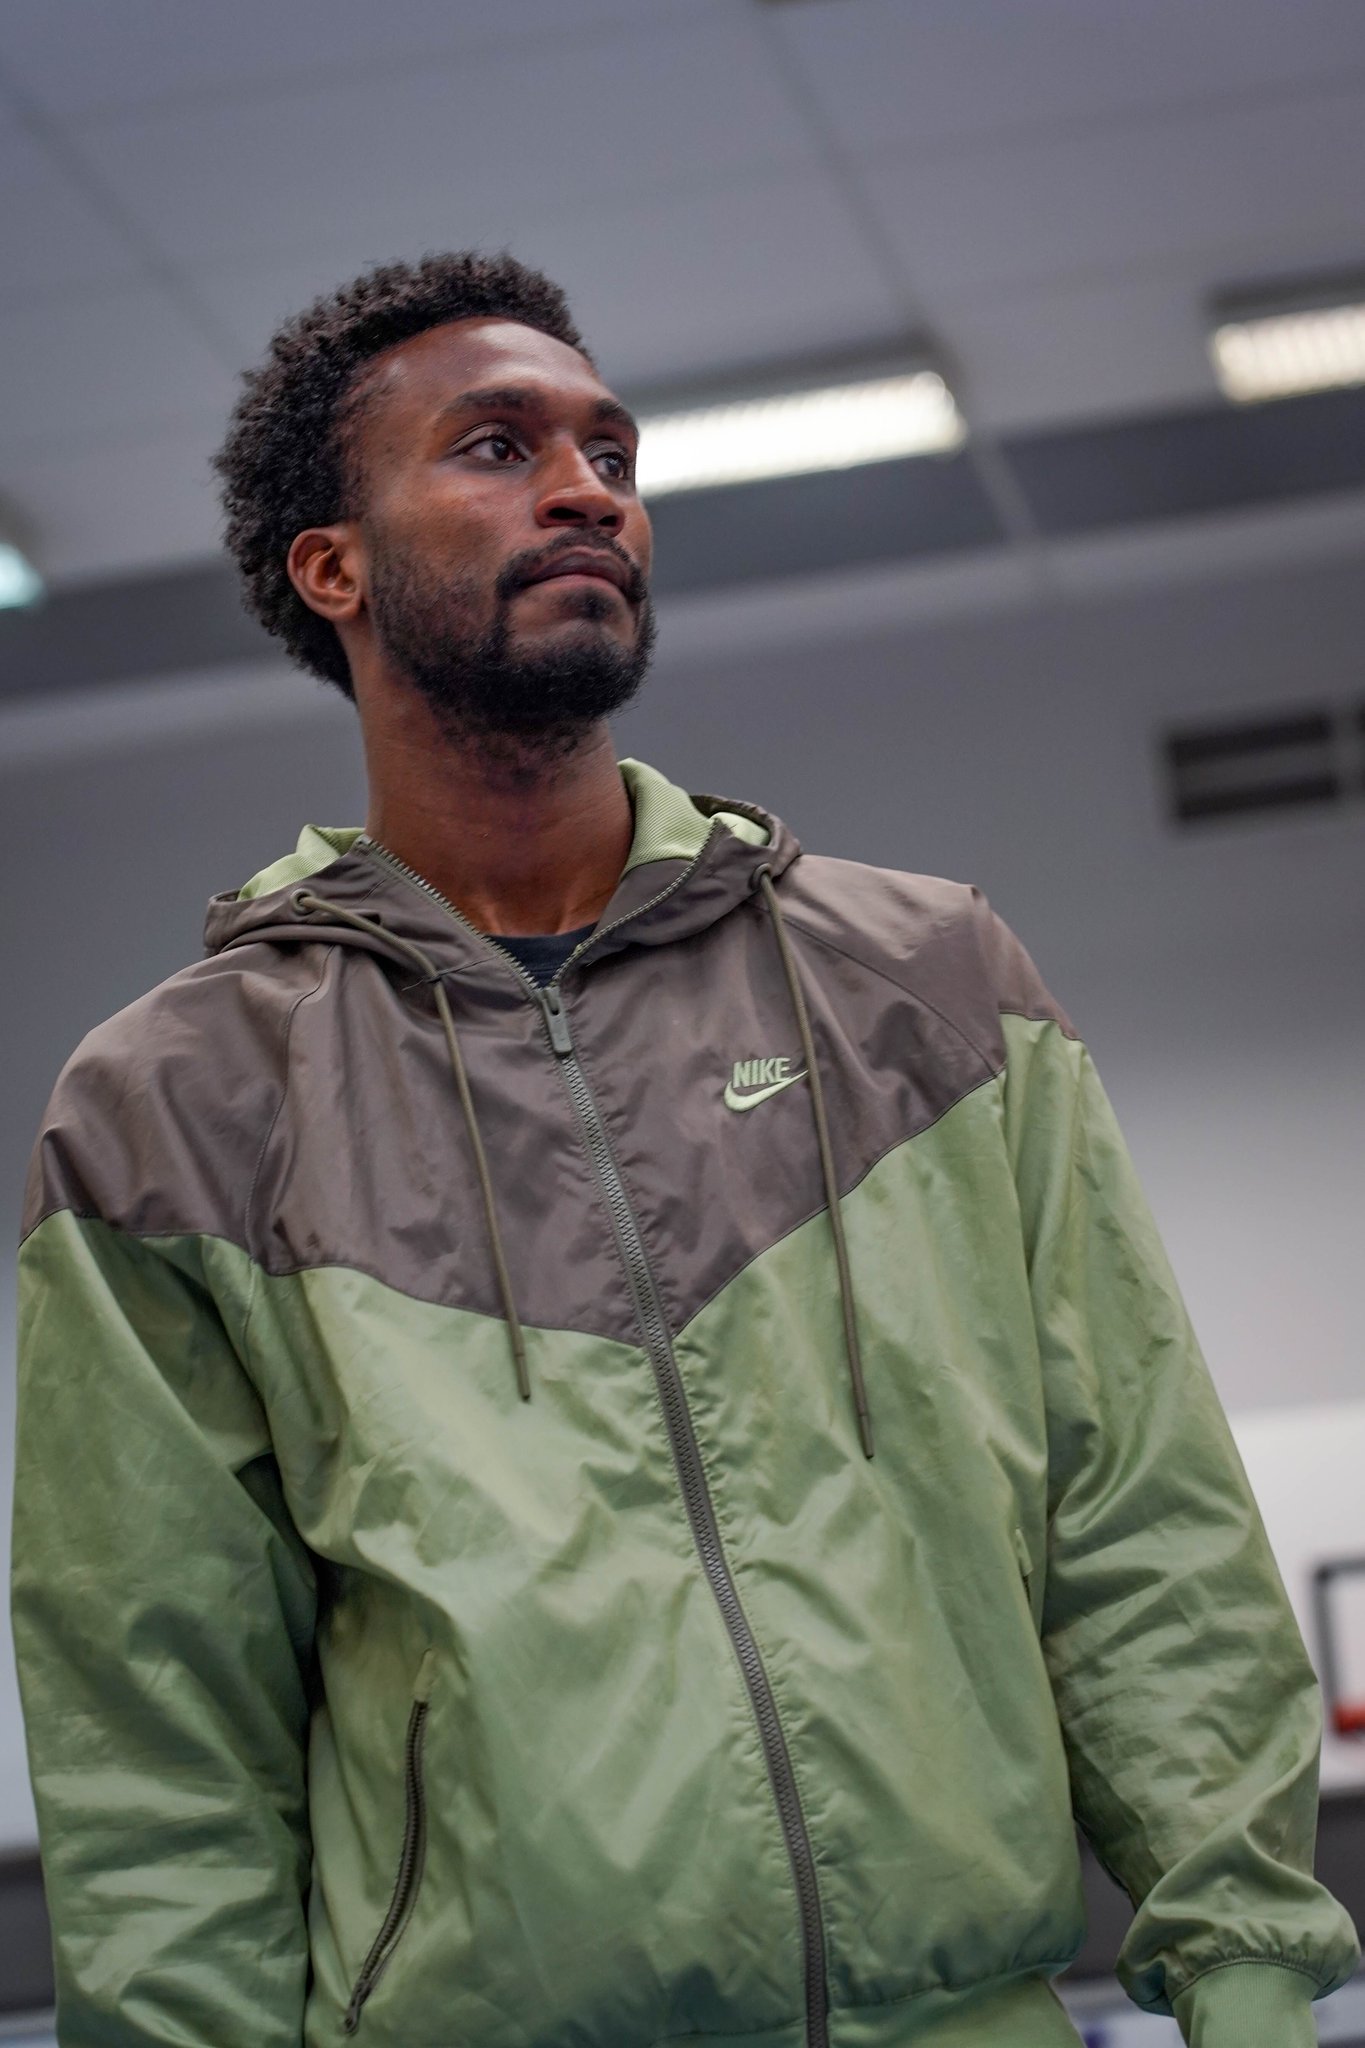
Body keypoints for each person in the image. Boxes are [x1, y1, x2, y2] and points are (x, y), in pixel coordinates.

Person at [12, 251, 1358, 2048]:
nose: (585, 489)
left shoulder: (924, 984)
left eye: (611, 454)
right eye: (496, 447)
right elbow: (157, 1722)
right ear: (332, 569)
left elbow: (1137, 1518)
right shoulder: (178, 1105)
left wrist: (1251, 1981)